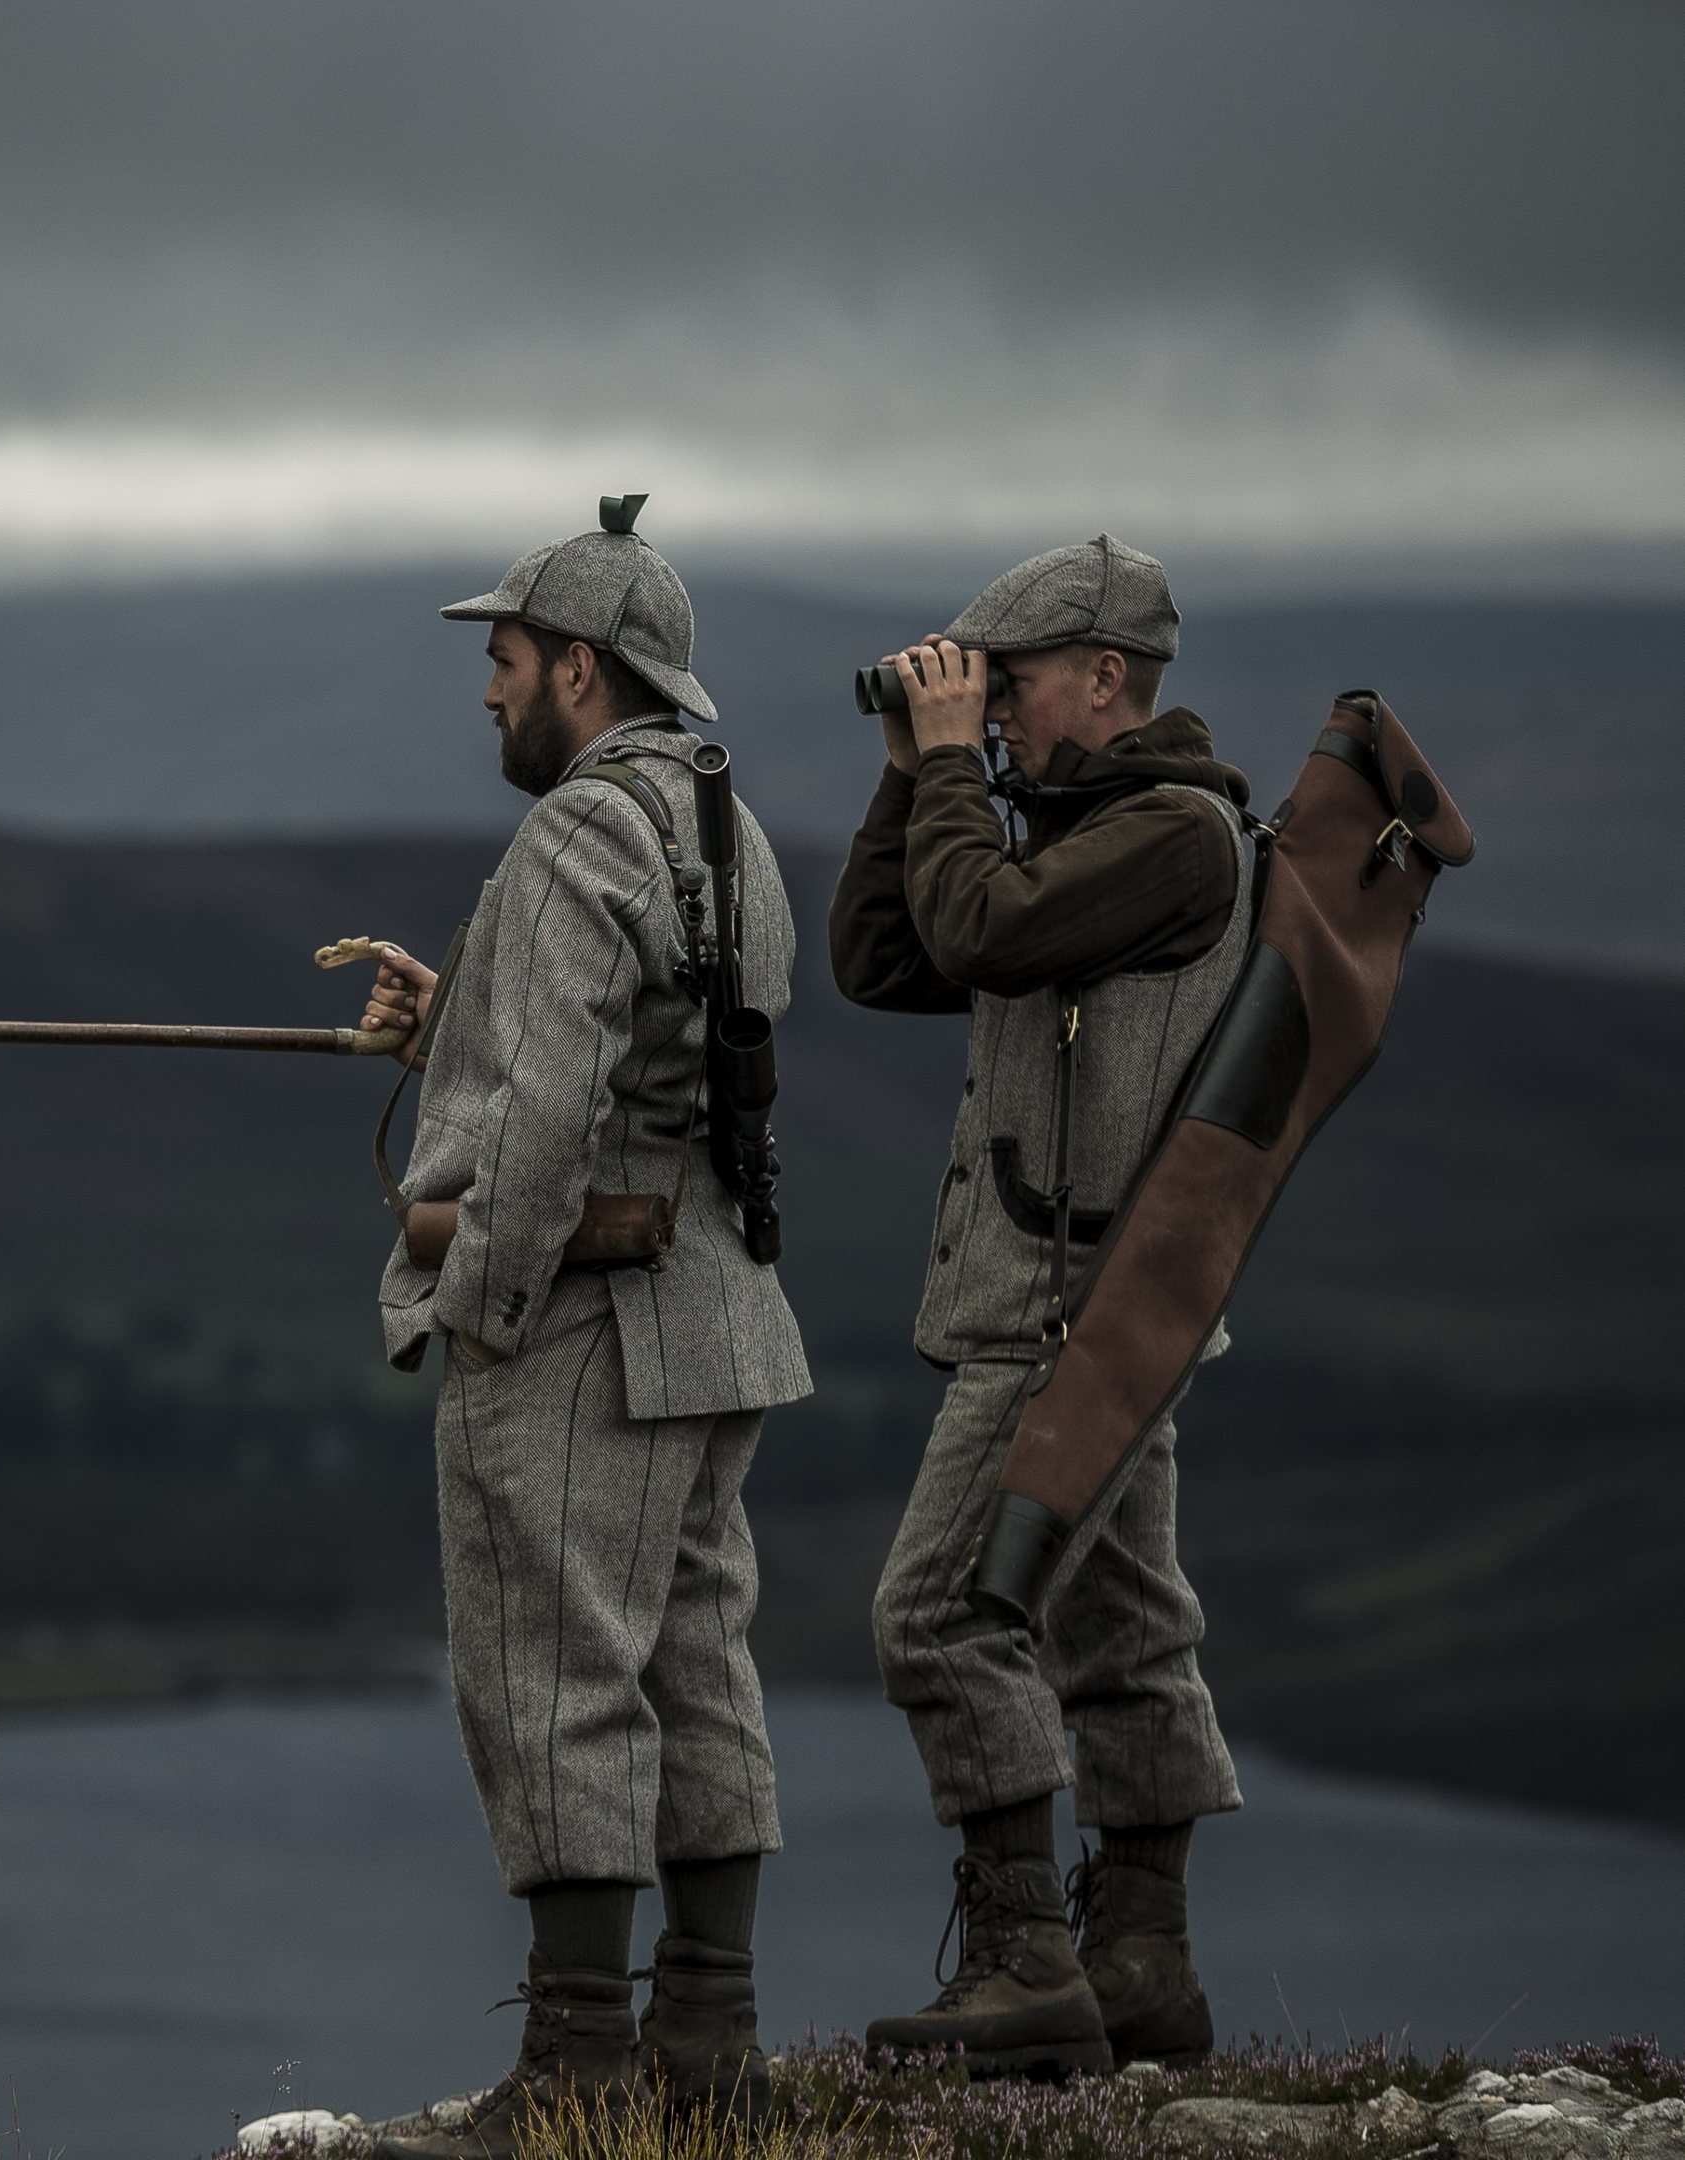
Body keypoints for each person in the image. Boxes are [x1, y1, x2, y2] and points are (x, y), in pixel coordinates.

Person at [352, 500, 811, 2155]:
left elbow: (548, 1120)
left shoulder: (567, 840)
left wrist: (473, 1310)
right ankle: (708, 2048)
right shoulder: (726, 829)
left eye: (501, 661)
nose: (487, 694)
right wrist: (444, 1027)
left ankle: (573, 2075)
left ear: (577, 667)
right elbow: (649, 1074)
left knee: (549, 1677)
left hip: (578, 1331)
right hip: (714, 1315)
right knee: (694, 1664)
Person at [830, 535, 1252, 2078]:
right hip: (1084, 1293)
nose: (985, 710)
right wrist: (910, 772)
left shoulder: (1173, 840)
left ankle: (1022, 1960)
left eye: (1004, 686)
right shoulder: (1075, 837)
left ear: (1104, 676)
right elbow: (886, 956)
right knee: (1120, 1621)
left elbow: (979, 932)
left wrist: (948, 773)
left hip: (1065, 1306)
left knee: (939, 1614)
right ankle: (1142, 1962)